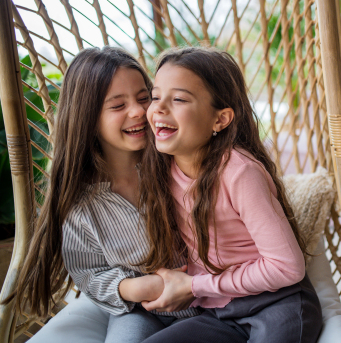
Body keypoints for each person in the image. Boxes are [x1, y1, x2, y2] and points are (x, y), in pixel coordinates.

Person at [4, 47, 200, 343]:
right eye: (118, 105)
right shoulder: (81, 206)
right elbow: (89, 273)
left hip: (207, 299)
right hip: (141, 310)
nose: (137, 111)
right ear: (88, 118)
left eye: (144, 98)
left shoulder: (176, 164)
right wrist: (135, 289)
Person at [137, 46, 323, 343]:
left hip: (277, 304)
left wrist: (196, 285)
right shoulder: (160, 169)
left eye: (179, 99)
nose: (158, 108)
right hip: (219, 313)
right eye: (156, 96)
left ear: (220, 119)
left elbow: (287, 267)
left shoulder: (239, 173)